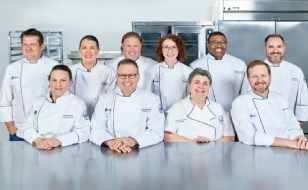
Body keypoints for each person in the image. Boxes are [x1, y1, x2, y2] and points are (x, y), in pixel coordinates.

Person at [90, 59, 164, 153]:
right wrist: (111, 142)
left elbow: (157, 131)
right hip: (112, 150)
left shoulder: (152, 99)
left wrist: (132, 141)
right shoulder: (104, 99)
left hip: (141, 151)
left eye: (132, 75)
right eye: (122, 75)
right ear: (117, 77)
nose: (127, 79)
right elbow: (96, 128)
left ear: (138, 77)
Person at [231, 60, 308, 149]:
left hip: (286, 153)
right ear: (248, 79)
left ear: (270, 77)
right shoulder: (240, 103)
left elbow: (293, 127)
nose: (260, 81)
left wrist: (299, 137)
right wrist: (288, 142)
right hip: (257, 155)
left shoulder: (280, 99)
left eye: (263, 75)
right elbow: (248, 136)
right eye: (254, 76)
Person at [0, 28, 59, 141]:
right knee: (18, 159)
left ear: (41, 47)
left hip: (47, 131)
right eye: (25, 44)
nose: (28, 48)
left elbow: (61, 98)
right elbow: (4, 100)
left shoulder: (53, 66)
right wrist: (10, 127)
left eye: (32, 44)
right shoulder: (12, 68)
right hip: (19, 130)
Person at [21, 65, 90, 150]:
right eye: (54, 80)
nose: (58, 84)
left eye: (63, 80)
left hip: (65, 151)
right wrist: (38, 140)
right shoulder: (38, 100)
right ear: (49, 82)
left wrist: (58, 141)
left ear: (70, 82)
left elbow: (83, 132)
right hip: (38, 148)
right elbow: (27, 126)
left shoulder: (78, 103)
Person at [164, 68, 235, 143]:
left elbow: (230, 137)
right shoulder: (176, 108)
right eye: (197, 82)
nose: (201, 86)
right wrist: (191, 142)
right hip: (186, 152)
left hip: (214, 153)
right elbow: (167, 136)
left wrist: (211, 148)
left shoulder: (218, 108)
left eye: (205, 83)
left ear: (209, 87)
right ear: (189, 85)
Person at [190, 31, 246, 112]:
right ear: (207, 45)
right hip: (208, 111)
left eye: (222, 42)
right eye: (214, 42)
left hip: (235, 111)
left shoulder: (239, 64)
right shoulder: (196, 65)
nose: (219, 45)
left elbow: (245, 90)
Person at [263, 34, 308, 126]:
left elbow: (302, 99)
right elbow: (246, 97)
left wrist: (298, 124)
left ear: (284, 48)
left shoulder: (296, 70)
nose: (275, 51)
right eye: (271, 47)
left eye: (279, 46)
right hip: (263, 122)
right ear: (265, 49)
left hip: (289, 122)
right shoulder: (255, 70)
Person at [69, 35, 116, 119]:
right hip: (76, 116)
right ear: (80, 51)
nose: (88, 51)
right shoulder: (70, 71)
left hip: (100, 117)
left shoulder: (108, 72)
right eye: (84, 48)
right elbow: (67, 97)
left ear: (98, 50)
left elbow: (111, 98)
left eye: (92, 48)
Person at [146, 34, 193, 112]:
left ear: (179, 49)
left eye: (174, 47)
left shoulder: (188, 72)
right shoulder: (153, 71)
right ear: (161, 50)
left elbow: (191, 98)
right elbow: (148, 96)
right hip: (158, 113)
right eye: (166, 47)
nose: (170, 51)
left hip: (180, 113)